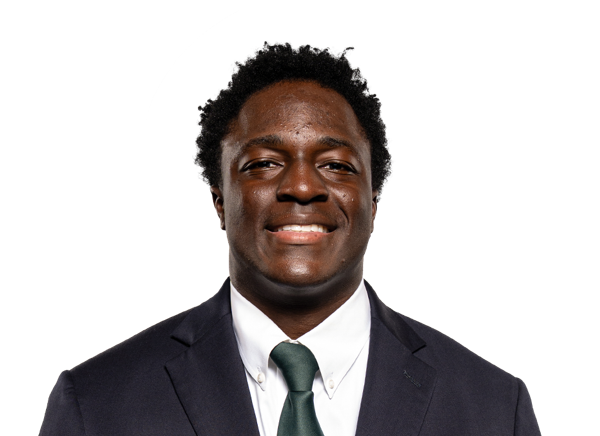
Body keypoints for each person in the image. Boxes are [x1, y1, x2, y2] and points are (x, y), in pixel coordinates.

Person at [40, 42, 541, 436]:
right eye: (264, 163)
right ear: (219, 199)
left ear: (373, 200)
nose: (301, 187)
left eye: (336, 165)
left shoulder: (496, 409)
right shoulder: (96, 404)